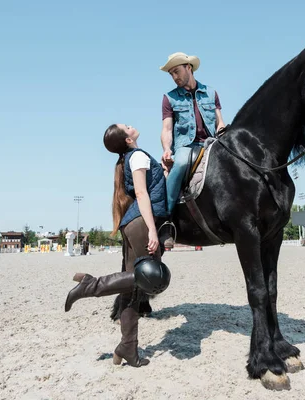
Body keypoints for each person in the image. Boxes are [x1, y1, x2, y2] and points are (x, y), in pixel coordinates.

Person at [64, 123, 169, 368]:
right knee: (148, 278)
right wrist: (153, 229)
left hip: (132, 223)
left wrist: (164, 171)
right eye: (127, 127)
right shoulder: (139, 156)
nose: (131, 126)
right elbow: (142, 195)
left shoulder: (130, 159)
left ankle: (127, 347)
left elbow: (150, 189)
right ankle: (91, 285)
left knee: (132, 287)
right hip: (142, 223)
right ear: (128, 139)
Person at [159, 52, 226, 215]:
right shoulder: (169, 98)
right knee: (181, 163)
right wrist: (167, 149)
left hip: (212, 142)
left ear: (188, 68)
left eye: (176, 71)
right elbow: (167, 129)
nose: (174, 77)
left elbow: (220, 123)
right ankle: (166, 215)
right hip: (186, 146)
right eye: (171, 74)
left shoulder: (211, 93)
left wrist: (223, 135)